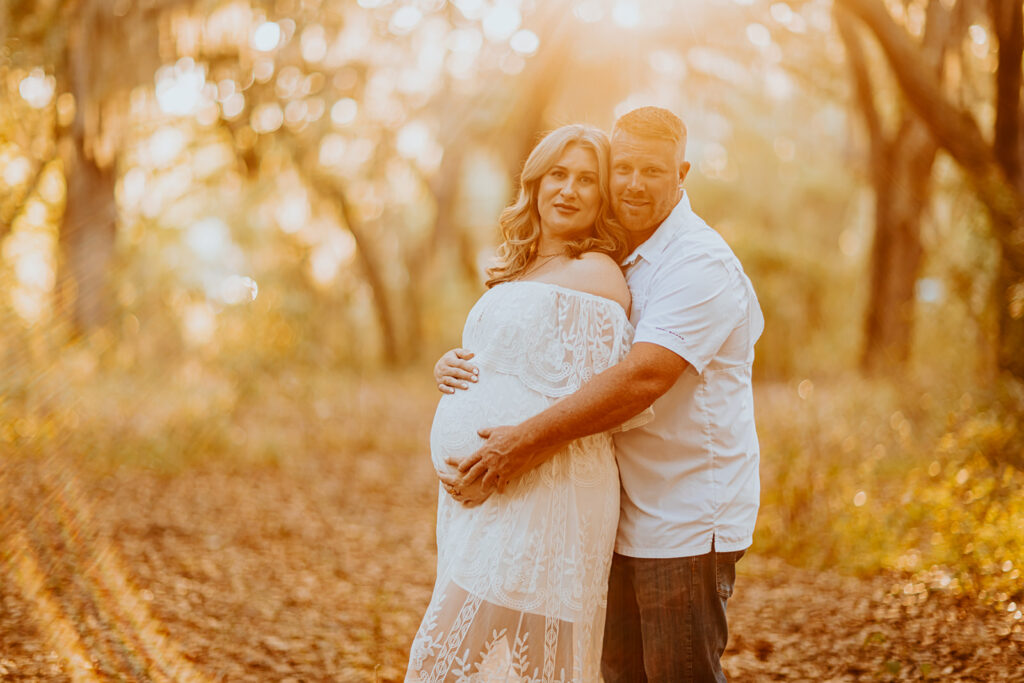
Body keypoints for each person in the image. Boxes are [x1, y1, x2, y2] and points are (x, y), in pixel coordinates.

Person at [435, 106, 764, 682]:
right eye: (625, 168)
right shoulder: (624, 253)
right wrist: (463, 368)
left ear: (682, 172)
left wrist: (525, 442)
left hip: (682, 515)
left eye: (653, 171)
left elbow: (641, 378)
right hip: (619, 510)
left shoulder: (698, 263)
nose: (634, 183)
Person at [406, 123, 652, 682]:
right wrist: (450, 365)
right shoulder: (515, 268)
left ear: (602, 196)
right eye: (558, 175)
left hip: (548, 486)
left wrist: (508, 459)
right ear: (536, 184)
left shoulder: (597, 273)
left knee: (473, 659)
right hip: (493, 489)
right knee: (481, 661)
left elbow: (591, 397)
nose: (568, 190)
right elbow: (509, 361)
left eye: (587, 180)